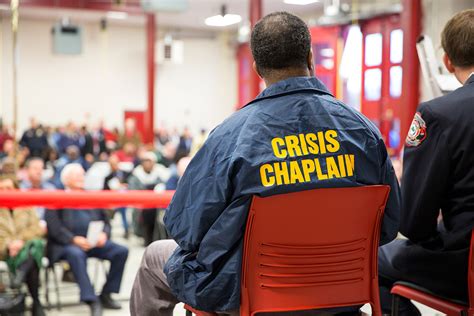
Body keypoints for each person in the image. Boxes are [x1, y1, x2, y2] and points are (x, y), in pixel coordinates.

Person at [130, 12, 400, 315]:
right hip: (342, 289)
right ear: (310, 57)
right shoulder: (363, 132)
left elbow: (184, 228)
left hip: (250, 293)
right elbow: (388, 225)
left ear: (257, 68)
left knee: (155, 255)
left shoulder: (230, 138)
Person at [378, 9, 474, 315]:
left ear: (447, 61)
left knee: (373, 260)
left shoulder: (440, 115)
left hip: (465, 267)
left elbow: (414, 223)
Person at [45, 164, 129, 316]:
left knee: (121, 251)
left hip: (94, 242)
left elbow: (106, 221)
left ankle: (106, 293)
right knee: (76, 255)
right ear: (66, 179)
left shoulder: (90, 196)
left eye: (82, 175)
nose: (81, 178)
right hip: (67, 244)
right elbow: (54, 227)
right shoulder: (56, 197)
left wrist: (104, 234)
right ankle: (91, 299)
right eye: (77, 175)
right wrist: (73, 239)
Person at [0, 177, 46, 316]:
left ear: (16, 190)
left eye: (9, 188)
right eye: (2, 189)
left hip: (25, 247)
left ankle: (20, 276)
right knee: (33, 254)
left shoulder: (26, 206)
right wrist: (9, 245)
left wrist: (20, 241)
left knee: (35, 245)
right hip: (5, 252)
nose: (5, 192)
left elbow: (37, 229)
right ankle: (36, 302)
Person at [128, 152, 170, 246]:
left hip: (156, 204)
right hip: (141, 205)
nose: (148, 164)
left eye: (150, 162)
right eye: (146, 162)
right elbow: (132, 192)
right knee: (147, 214)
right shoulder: (136, 176)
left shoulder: (158, 175)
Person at [103, 154, 130, 238]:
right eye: (111, 164)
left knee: (123, 210)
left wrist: (125, 186)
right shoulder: (107, 177)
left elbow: (131, 184)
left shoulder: (126, 174)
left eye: (115, 163)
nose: (113, 166)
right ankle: (108, 231)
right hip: (112, 200)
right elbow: (104, 191)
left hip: (124, 199)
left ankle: (126, 230)